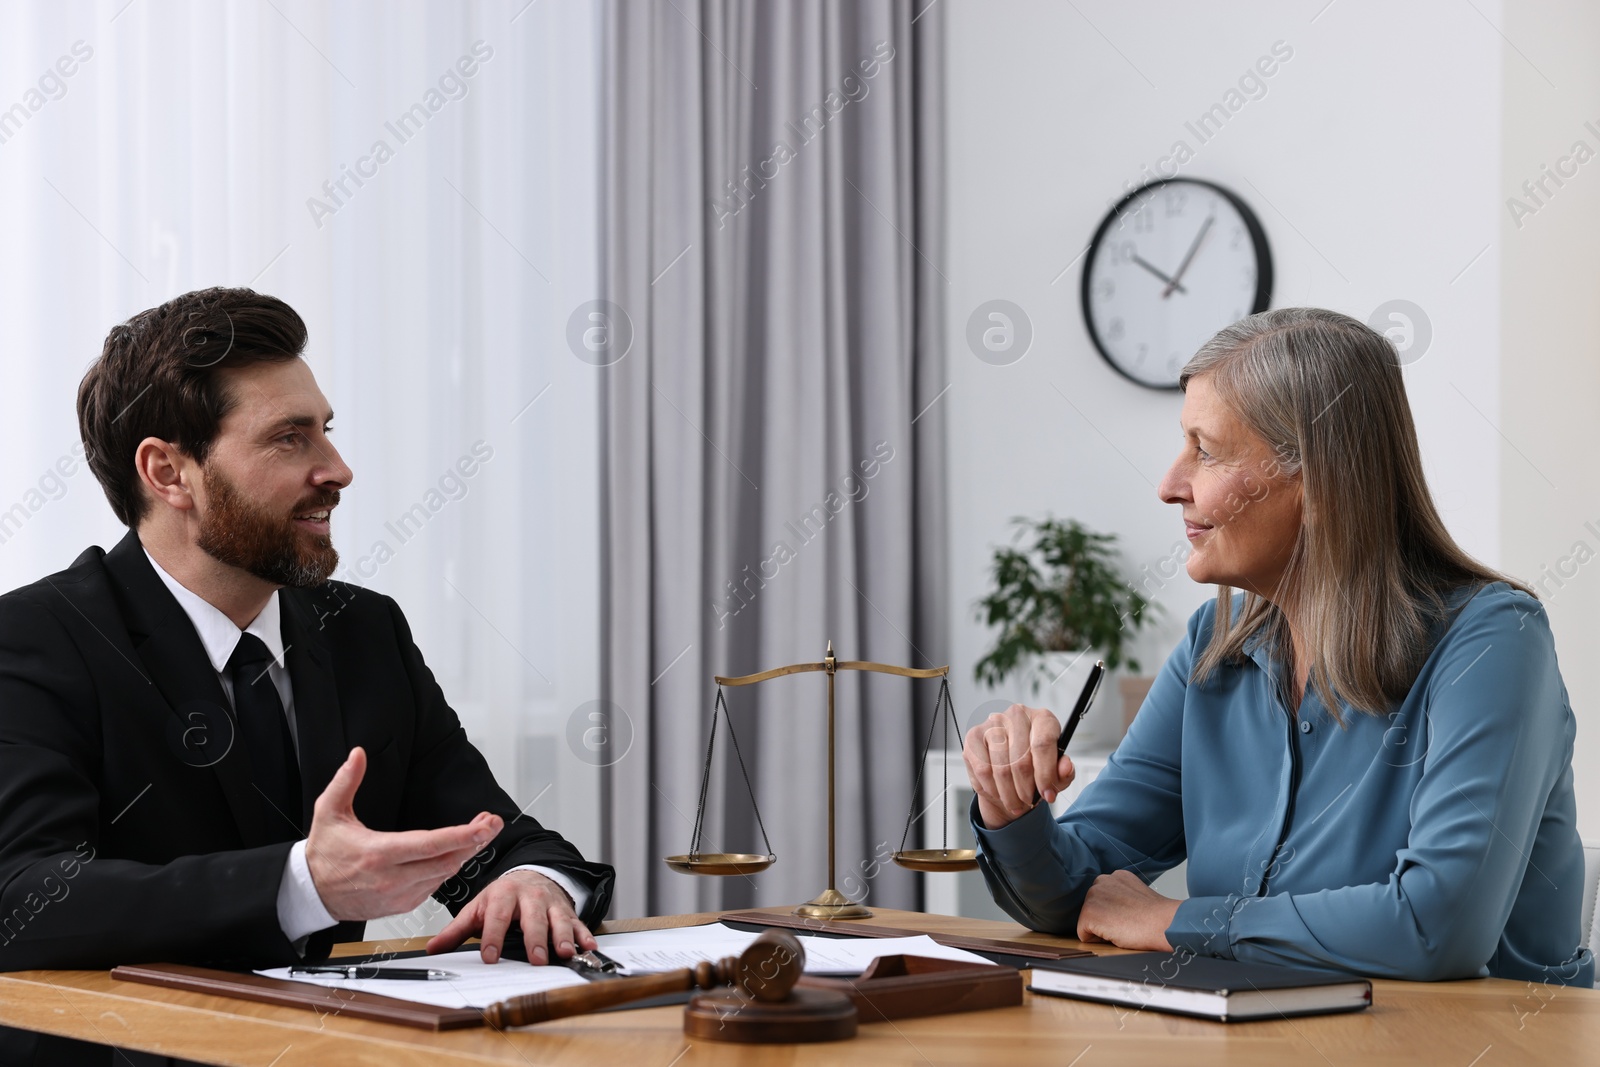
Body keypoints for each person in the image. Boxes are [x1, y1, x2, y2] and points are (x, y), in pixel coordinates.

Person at [0, 288, 615, 1065]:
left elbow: (488, 835)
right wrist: (301, 883)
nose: (338, 469)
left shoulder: (362, 629)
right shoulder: (35, 638)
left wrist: (532, 882)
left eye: (326, 431)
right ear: (168, 472)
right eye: (290, 439)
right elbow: (20, 898)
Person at [964, 307, 1594, 986]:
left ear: (1318, 481)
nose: (1170, 484)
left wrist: (1175, 920)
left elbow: (1438, 926)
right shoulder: (1213, 650)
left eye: (1205, 450)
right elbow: (1079, 896)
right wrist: (1012, 808)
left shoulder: (1493, 642)